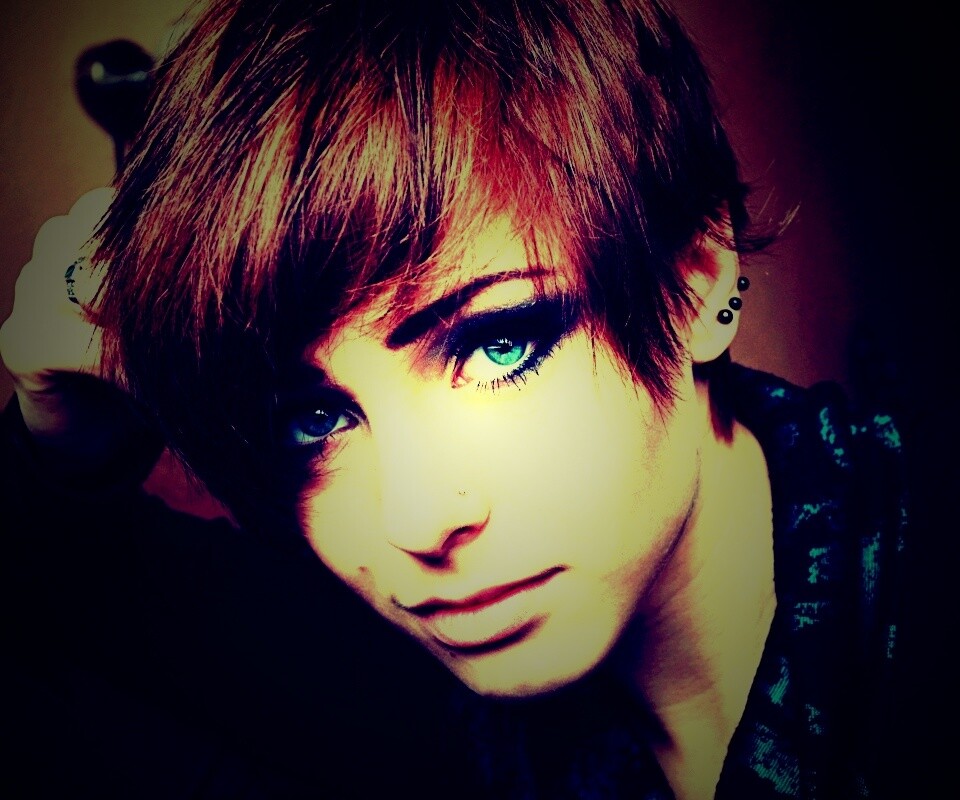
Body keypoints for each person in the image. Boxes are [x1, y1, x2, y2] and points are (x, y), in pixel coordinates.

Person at [0, 0, 908, 797]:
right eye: (316, 417)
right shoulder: (405, 700)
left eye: (496, 344)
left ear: (697, 282)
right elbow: (62, 606)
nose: (418, 521)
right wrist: (65, 440)